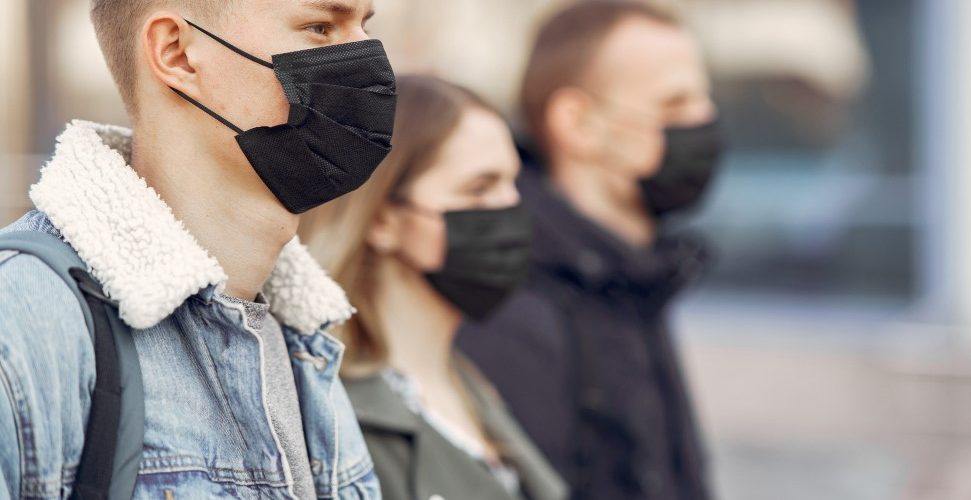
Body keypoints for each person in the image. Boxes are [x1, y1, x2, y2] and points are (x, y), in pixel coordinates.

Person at [0, 0, 396, 497]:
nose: (368, 60)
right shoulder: (24, 319)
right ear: (177, 54)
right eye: (320, 27)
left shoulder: (307, 343)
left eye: (364, 26)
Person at [456, 2, 724, 500]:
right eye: (674, 105)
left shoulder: (636, 276)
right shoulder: (512, 305)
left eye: (704, 100)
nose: (704, 121)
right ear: (577, 122)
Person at [300, 74, 568, 500]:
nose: (509, 208)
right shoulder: (331, 411)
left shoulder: (473, 384)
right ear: (385, 219)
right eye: (479, 188)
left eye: (511, 184)